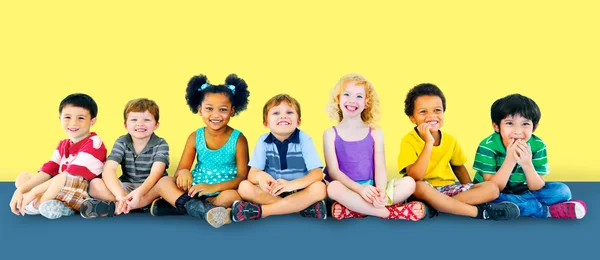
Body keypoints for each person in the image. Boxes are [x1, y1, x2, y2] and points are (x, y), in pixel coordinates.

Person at [398, 83, 520, 220]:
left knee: (492, 188)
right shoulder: (408, 141)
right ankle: (478, 212)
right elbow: (415, 177)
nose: (431, 116)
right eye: (423, 112)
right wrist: (428, 143)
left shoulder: (450, 140)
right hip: (424, 191)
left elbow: (458, 167)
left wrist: (472, 189)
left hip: (448, 189)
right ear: (412, 118)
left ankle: (438, 207)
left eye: (437, 110)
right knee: (418, 186)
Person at [149, 73, 251, 228]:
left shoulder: (239, 139)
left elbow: (243, 176)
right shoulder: (195, 136)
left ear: (232, 111)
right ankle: (203, 210)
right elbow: (181, 170)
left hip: (222, 190)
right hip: (195, 189)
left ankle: (182, 207)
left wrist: (214, 188)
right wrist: (183, 172)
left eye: (223, 109)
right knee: (165, 182)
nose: (216, 115)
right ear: (200, 110)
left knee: (233, 196)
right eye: (209, 108)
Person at [324, 74, 426, 221]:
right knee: (332, 188)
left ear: (367, 103)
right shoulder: (330, 134)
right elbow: (334, 171)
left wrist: (381, 192)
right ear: (338, 99)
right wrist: (360, 189)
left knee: (409, 183)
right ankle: (389, 213)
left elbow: (380, 167)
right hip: (347, 189)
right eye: (347, 94)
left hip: (371, 188)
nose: (352, 100)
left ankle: (357, 211)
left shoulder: (375, 133)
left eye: (359, 96)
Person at [473, 93, 587, 219]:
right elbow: (492, 187)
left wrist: (527, 164)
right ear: (496, 127)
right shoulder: (488, 146)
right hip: (493, 193)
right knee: (485, 200)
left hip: (522, 190)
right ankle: (546, 211)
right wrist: (510, 160)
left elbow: (537, 186)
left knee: (562, 191)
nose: (518, 131)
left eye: (525, 124)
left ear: (534, 127)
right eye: (510, 123)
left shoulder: (538, 146)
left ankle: (517, 206)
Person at [9, 93, 107, 219]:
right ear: (59, 118)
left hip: (80, 193)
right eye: (67, 117)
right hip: (58, 188)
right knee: (23, 177)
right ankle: (54, 204)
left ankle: (37, 205)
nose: (73, 123)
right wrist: (20, 191)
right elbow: (49, 171)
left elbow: (69, 175)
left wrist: (33, 192)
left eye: (81, 118)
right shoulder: (63, 144)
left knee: (62, 177)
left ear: (92, 121)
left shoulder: (94, 143)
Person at [232, 94, 327, 222]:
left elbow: (317, 174)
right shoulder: (263, 141)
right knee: (244, 187)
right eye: (276, 113)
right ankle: (301, 209)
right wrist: (260, 177)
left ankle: (263, 211)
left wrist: (291, 185)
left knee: (320, 188)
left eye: (289, 112)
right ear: (265, 123)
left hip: (299, 190)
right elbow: (252, 174)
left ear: (298, 121)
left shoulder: (305, 139)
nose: (283, 116)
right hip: (272, 191)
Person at [80, 98, 170, 218]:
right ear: (125, 125)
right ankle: (130, 204)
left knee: (168, 183)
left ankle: (119, 206)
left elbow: (156, 173)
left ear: (156, 125)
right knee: (95, 184)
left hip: (151, 187)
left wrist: (140, 192)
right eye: (134, 120)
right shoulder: (122, 142)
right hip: (127, 186)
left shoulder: (160, 143)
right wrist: (120, 194)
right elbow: (109, 169)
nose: (140, 124)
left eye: (147, 120)